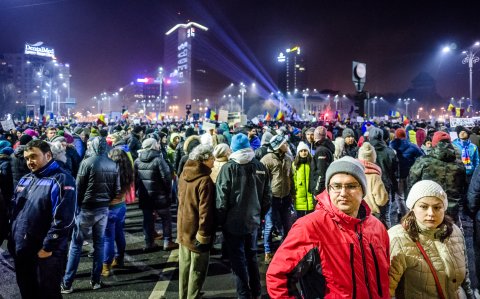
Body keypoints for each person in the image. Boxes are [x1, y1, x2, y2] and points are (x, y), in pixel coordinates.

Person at [266, 156, 390, 298]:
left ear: (363, 190)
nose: (343, 193)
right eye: (336, 186)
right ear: (328, 189)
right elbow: (277, 276)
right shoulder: (310, 226)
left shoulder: (377, 227)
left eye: (351, 186)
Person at [9, 140, 76, 299]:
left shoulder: (62, 180)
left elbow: (63, 220)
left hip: (44, 254)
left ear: (48, 155)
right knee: (27, 292)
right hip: (23, 251)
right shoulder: (26, 179)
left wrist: (47, 248)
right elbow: (15, 212)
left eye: (33, 157)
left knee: (47, 294)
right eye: (26, 158)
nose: (29, 162)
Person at [389, 180, 475, 298]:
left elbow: (465, 279)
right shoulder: (397, 239)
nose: (431, 213)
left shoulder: (455, 231)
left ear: (444, 208)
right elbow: (388, 290)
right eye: (423, 206)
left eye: (437, 207)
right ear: (412, 207)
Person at [216, 133, 271, 299]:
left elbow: (221, 199)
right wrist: (259, 215)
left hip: (232, 223)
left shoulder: (228, 168)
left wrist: (220, 221)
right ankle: (257, 292)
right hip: (253, 221)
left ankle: (243, 295)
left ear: (233, 148)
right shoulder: (260, 166)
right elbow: (267, 197)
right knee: (252, 257)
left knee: (238, 261)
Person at [62, 137, 120, 293]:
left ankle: (67, 283)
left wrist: (78, 208)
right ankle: (95, 280)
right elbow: (117, 190)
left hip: (86, 209)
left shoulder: (87, 163)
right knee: (99, 244)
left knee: (76, 245)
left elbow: (78, 188)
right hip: (103, 209)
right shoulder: (113, 164)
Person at [177, 144, 216, 299]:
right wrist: (204, 235)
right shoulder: (205, 180)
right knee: (197, 270)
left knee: (185, 267)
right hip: (197, 230)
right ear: (204, 159)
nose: (214, 160)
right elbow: (205, 212)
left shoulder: (184, 174)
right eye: (212, 157)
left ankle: (183, 296)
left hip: (183, 228)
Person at [408, 131, 467, 223]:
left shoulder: (423, 162)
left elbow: (412, 185)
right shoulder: (459, 165)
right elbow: (464, 188)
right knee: (449, 234)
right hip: (452, 209)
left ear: (434, 143)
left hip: (427, 209)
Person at [135, 138, 178, 251]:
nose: (159, 145)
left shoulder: (137, 160)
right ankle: (167, 241)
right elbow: (166, 178)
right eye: (157, 144)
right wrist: (168, 191)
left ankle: (149, 243)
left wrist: (138, 192)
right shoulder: (159, 160)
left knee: (147, 220)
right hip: (160, 195)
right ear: (153, 146)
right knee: (166, 218)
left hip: (145, 196)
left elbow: (135, 179)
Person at [261, 134, 295, 264]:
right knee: (269, 225)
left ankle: (284, 250)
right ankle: (267, 251)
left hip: (285, 197)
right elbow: (263, 182)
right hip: (272, 198)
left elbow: (290, 177)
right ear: (278, 146)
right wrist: (265, 198)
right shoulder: (267, 160)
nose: (287, 146)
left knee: (287, 225)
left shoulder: (288, 158)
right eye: (284, 144)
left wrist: (292, 193)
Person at [102, 148, 134, 276]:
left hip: (109, 208)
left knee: (108, 238)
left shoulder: (109, 172)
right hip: (121, 206)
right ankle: (119, 258)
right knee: (119, 233)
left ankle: (106, 266)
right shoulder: (128, 171)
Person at [309, 126, 334, 196]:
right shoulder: (324, 148)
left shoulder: (321, 151)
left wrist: (317, 191)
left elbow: (321, 173)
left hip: (320, 191)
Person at [292, 141, 314, 217]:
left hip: (310, 193)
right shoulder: (295, 164)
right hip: (299, 194)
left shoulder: (312, 162)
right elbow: (293, 178)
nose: (303, 153)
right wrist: (295, 191)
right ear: (298, 153)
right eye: (301, 151)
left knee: (311, 217)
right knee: (300, 217)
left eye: (305, 150)